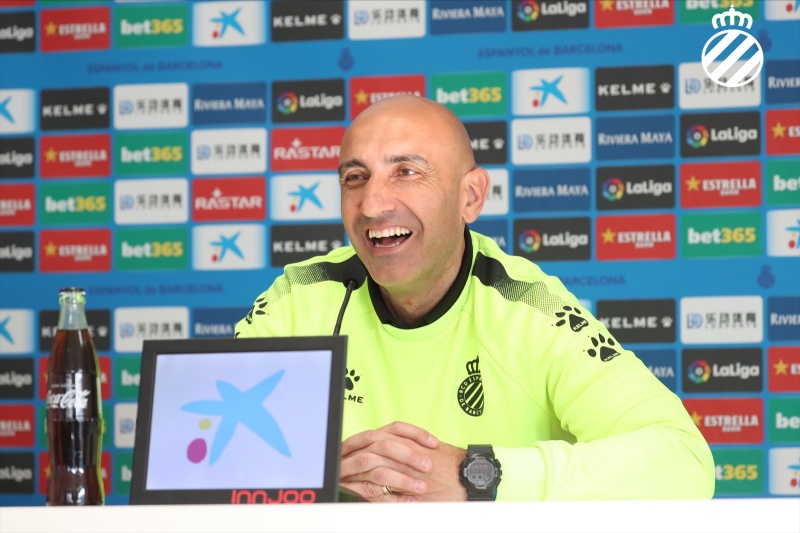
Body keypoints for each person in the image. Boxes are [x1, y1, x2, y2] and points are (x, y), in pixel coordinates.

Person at [235, 95, 715, 502]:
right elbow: (210, 462)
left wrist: (477, 474)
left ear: (471, 197)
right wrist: (314, 483)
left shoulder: (531, 308)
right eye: (355, 178)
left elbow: (685, 461)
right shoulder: (297, 299)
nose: (373, 205)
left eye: (406, 172)